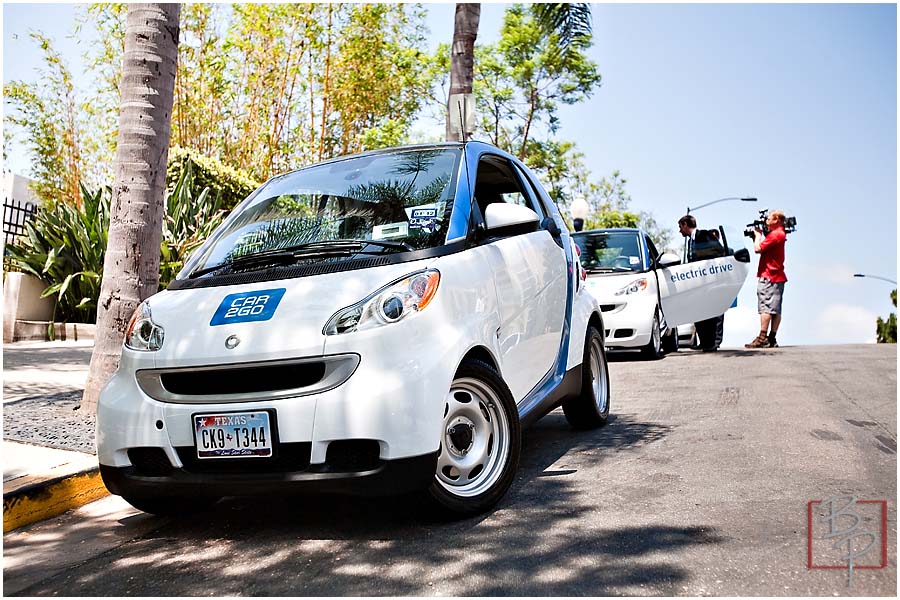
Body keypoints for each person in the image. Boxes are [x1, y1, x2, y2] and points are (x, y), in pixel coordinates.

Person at [677, 214, 725, 352]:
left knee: (712, 312)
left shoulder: (704, 235)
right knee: (699, 311)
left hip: (709, 281)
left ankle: (713, 342)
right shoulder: (689, 241)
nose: (680, 230)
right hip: (696, 283)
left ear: (686, 224)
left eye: (680, 227)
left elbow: (719, 251)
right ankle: (704, 341)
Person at [745, 210, 788, 348]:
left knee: (766, 307)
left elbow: (758, 249)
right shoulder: (781, 234)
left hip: (768, 275)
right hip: (778, 275)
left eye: (769, 219)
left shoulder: (775, 235)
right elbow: (765, 248)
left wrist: (757, 236)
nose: (766, 222)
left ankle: (762, 337)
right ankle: (772, 337)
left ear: (776, 220)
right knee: (776, 308)